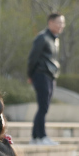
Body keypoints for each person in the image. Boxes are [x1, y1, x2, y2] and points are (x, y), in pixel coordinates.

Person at [27, 13, 65, 145]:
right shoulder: (42, 38)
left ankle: (36, 136)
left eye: (62, 23)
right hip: (41, 74)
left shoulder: (55, 39)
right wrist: (30, 75)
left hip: (50, 75)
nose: (61, 26)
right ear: (50, 22)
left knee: (45, 107)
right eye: (58, 22)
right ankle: (41, 136)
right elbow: (33, 58)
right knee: (43, 106)